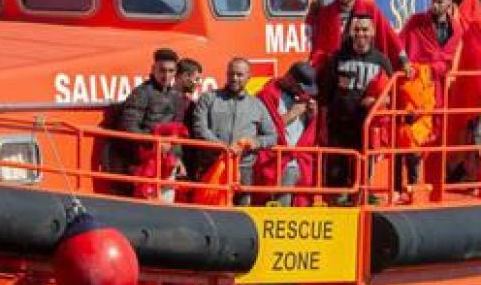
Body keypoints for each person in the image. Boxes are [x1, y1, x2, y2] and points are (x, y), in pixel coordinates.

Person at [317, 13, 395, 193]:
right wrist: (323, 122)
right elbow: (325, 93)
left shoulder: (382, 60)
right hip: (339, 123)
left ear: (373, 31)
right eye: (357, 29)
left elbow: (392, 95)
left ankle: (364, 194)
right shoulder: (337, 58)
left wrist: (376, 101)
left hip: (367, 124)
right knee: (338, 167)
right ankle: (339, 198)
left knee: (365, 163)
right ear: (351, 32)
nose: (361, 34)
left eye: (365, 29)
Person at [190, 58, 277, 204]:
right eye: (231, 74)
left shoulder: (257, 105)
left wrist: (254, 142)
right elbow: (200, 128)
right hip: (211, 165)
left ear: (249, 77)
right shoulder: (208, 98)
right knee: (208, 211)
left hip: (244, 170)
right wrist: (223, 147)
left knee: (241, 214)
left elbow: (272, 136)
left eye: (239, 75)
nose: (234, 78)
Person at [108, 48, 186, 192]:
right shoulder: (141, 93)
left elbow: (177, 132)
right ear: (153, 69)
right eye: (162, 70)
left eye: (170, 71)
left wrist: (177, 157)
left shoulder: (177, 97)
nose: (166, 75)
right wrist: (154, 142)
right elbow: (128, 126)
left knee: (166, 205)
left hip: (167, 163)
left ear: (175, 72)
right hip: (141, 162)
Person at [306, 0, 405, 69]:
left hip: (365, 66)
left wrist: (403, 60)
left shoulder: (370, 10)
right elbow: (318, 46)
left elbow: (390, 37)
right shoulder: (326, 13)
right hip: (334, 69)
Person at [257, 61, 322, 203]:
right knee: (281, 209)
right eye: (300, 88)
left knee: (301, 207)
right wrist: (292, 114)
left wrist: (312, 116)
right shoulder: (267, 95)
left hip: (302, 163)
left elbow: (311, 133)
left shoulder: (304, 97)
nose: (303, 92)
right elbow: (264, 130)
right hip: (280, 163)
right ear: (290, 79)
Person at [400, 0, 460, 75]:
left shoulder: (456, 29)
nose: (435, 6)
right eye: (433, 1)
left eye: (440, 2)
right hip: (420, 80)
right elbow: (399, 44)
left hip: (445, 81)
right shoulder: (416, 22)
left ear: (449, 1)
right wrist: (405, 62)